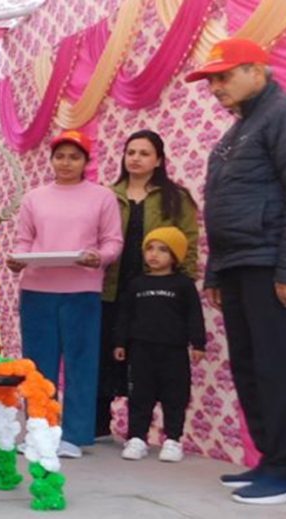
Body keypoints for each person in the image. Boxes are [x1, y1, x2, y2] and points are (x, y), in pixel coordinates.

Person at [185, 37, 286, 504]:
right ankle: (271, 461)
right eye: (211, 80)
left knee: (279, 366)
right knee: (251, 367)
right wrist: (215, 273)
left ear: (257, 70)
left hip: (272, 265)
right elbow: (221, 209)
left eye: (224, 76)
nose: (215, 88)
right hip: (238, 266)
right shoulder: (236, 132)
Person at [7, 130, 123, 458]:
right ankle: (39, 432)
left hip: (82, 290)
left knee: (81, 365)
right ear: (52, 159)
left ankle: (75, 435)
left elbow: (113, 241)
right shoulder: (35, 198)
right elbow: (23, 241)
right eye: (60, 156)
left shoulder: (102, 197)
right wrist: (17, 261)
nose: (66, 163)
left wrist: (98, 258)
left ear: (86, 161)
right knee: (37, 366)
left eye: (74, 157)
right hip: (37, 290)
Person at [96, 130, 199, 439]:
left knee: (147, 363)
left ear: (159, 160)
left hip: (155, 294)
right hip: (110, 288)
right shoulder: (107, 195)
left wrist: (182, 286)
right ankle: (99, 426)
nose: (136, 158)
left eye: (144, 153)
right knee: (105, 354)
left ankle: (141, 433)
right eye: (131, 152)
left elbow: (189, 243)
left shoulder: (175, 197)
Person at [114, 227, 205, 462]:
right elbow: (125, 315)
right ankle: (137, 438)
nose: (154, 254)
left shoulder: (183, 285)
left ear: (175, 256)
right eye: (150, 248)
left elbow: (194, 315)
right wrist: (120, 342)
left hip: (174, 350)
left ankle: (173, 440)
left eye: (163, 250)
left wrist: (198, 344)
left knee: (175, 396)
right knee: (140, 395)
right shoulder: (136, 284)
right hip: (141, 350)